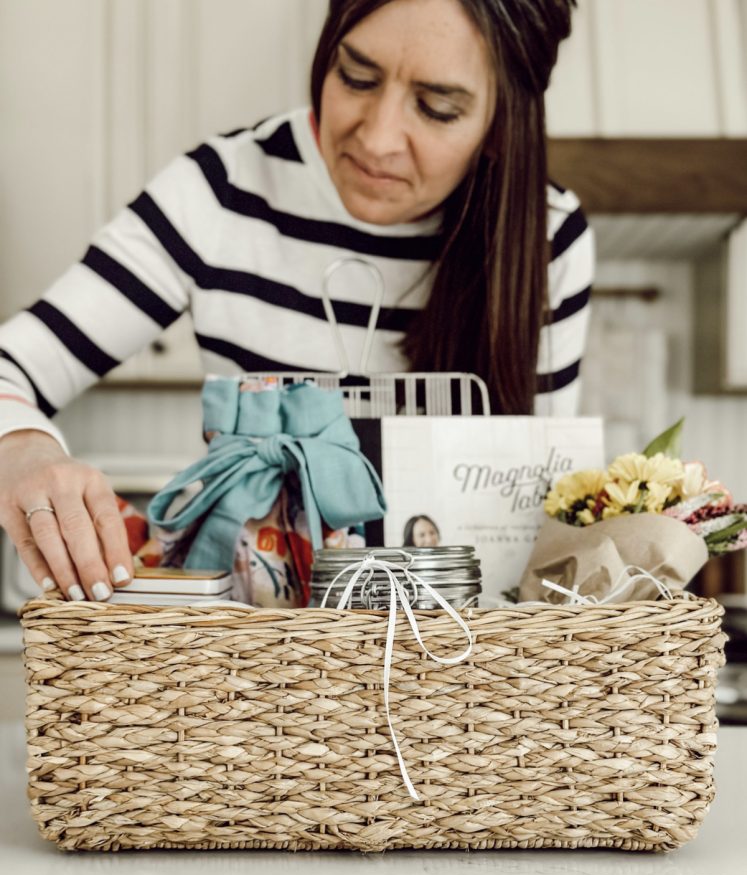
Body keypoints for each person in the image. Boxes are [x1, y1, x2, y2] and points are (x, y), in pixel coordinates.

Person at [0, 0, 593, 603]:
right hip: (250, 666)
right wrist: (20, 449)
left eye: (437, 107)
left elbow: (538, 521)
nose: (378, 138)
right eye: (356, 77)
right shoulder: (220, 192)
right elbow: (10, 368)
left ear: (501, 123)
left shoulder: (546, 239)